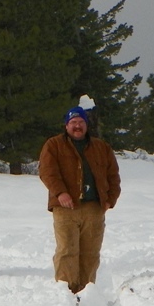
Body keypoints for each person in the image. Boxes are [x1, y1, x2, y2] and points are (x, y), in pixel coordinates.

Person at [39, 106, 121, 295]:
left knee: (90, 252)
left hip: (94, 208)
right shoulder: (53, 145)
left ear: (86, 125)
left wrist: (110, 200)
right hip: (65, 207)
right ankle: (66, 291)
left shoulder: (101, 147)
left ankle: (86, 292)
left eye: (81, 122)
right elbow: (47, 172)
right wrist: (61, 193)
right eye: (73, 123)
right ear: (66, 126)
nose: (77, 126)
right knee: (67, 249)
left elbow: (113, 175)